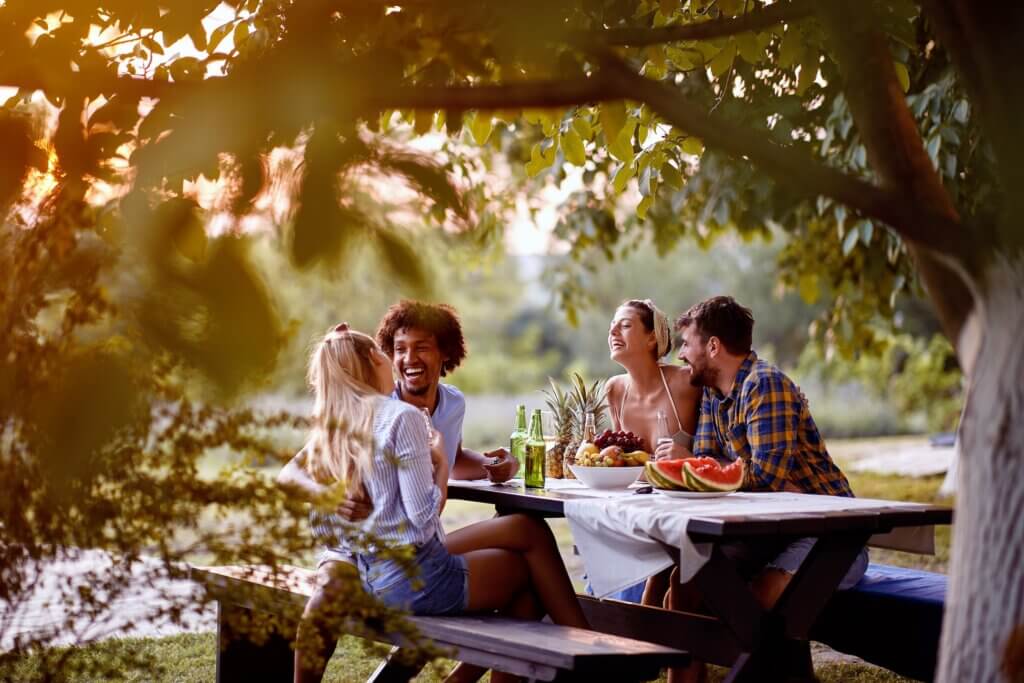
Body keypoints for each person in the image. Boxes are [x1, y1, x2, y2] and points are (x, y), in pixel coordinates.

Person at [287, 325, 588, 683]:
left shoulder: (334, 424)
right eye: (391, 353)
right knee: (530, 578)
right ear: (374, 359)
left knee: (526, 530)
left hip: (373, 568)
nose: (399, 362)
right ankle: (591, 655)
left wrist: (479, 463)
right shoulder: (402, 416)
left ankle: (584, 649)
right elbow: (421, 523)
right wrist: (439, 464)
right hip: (408, 576)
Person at [667, 296, 868, 683]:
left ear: (712, 346)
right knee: (685, 585)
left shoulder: (765, 384)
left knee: (750, 607)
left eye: (686, 344)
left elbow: (764, 476)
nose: (681, 355)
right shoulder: (713, 392)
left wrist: (707, 469)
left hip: (830, 536)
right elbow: (708, 465)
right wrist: (701, 467)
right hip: (767, 531)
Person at [603, 299, 701, 605]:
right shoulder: (615, 390)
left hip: (687, 513)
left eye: (626, 324)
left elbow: (716, 445)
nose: (614, 331)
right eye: (612, 325)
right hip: (639, 514)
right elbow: (621, 463)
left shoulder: (685, 382)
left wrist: (687, 455)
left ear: (651, 338)